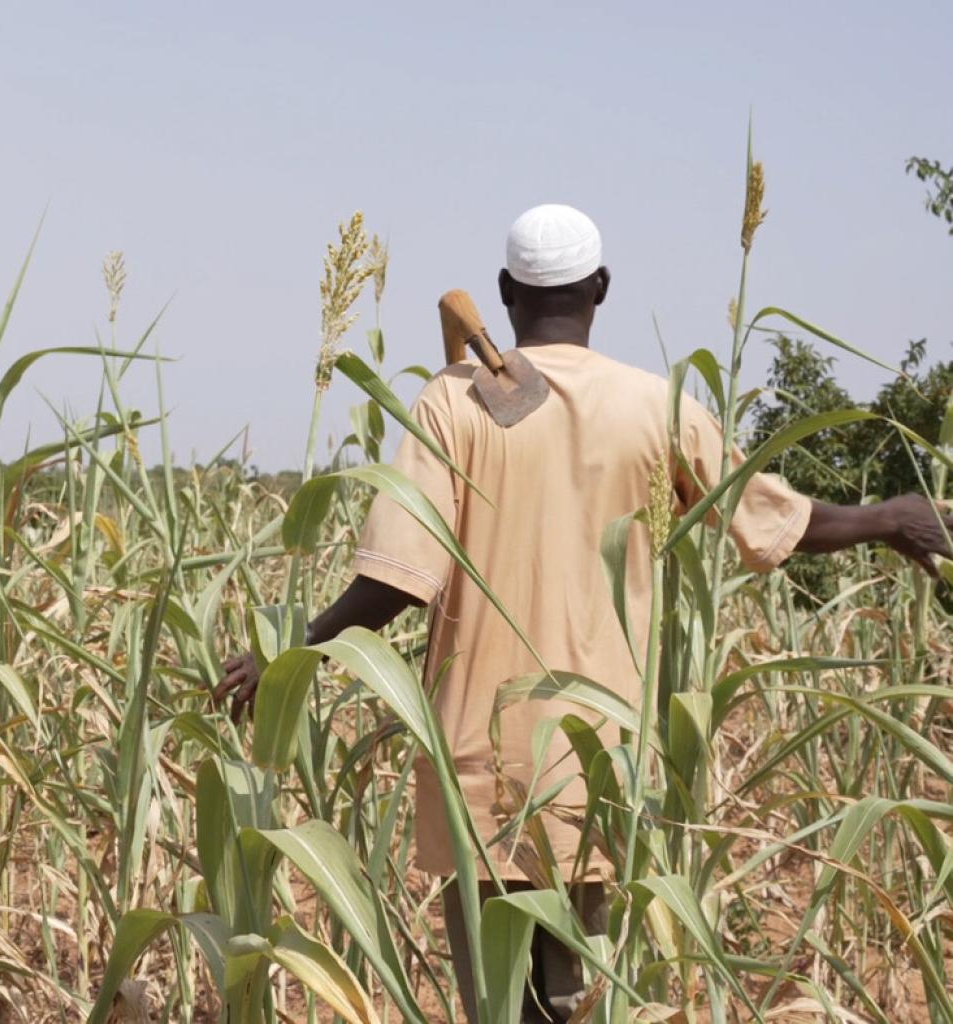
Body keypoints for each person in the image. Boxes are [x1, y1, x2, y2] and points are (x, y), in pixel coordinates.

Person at [212, 204, 953, 1023]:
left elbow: (395, 581)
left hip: (479, 765)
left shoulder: (450, 405)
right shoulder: (655, 406)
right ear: (602, 287)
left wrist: (293, 650)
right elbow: (774, 520)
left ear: (505, 291)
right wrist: (888, 516)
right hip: (597, 762)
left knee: (497, 1005)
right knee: (574, 1006)